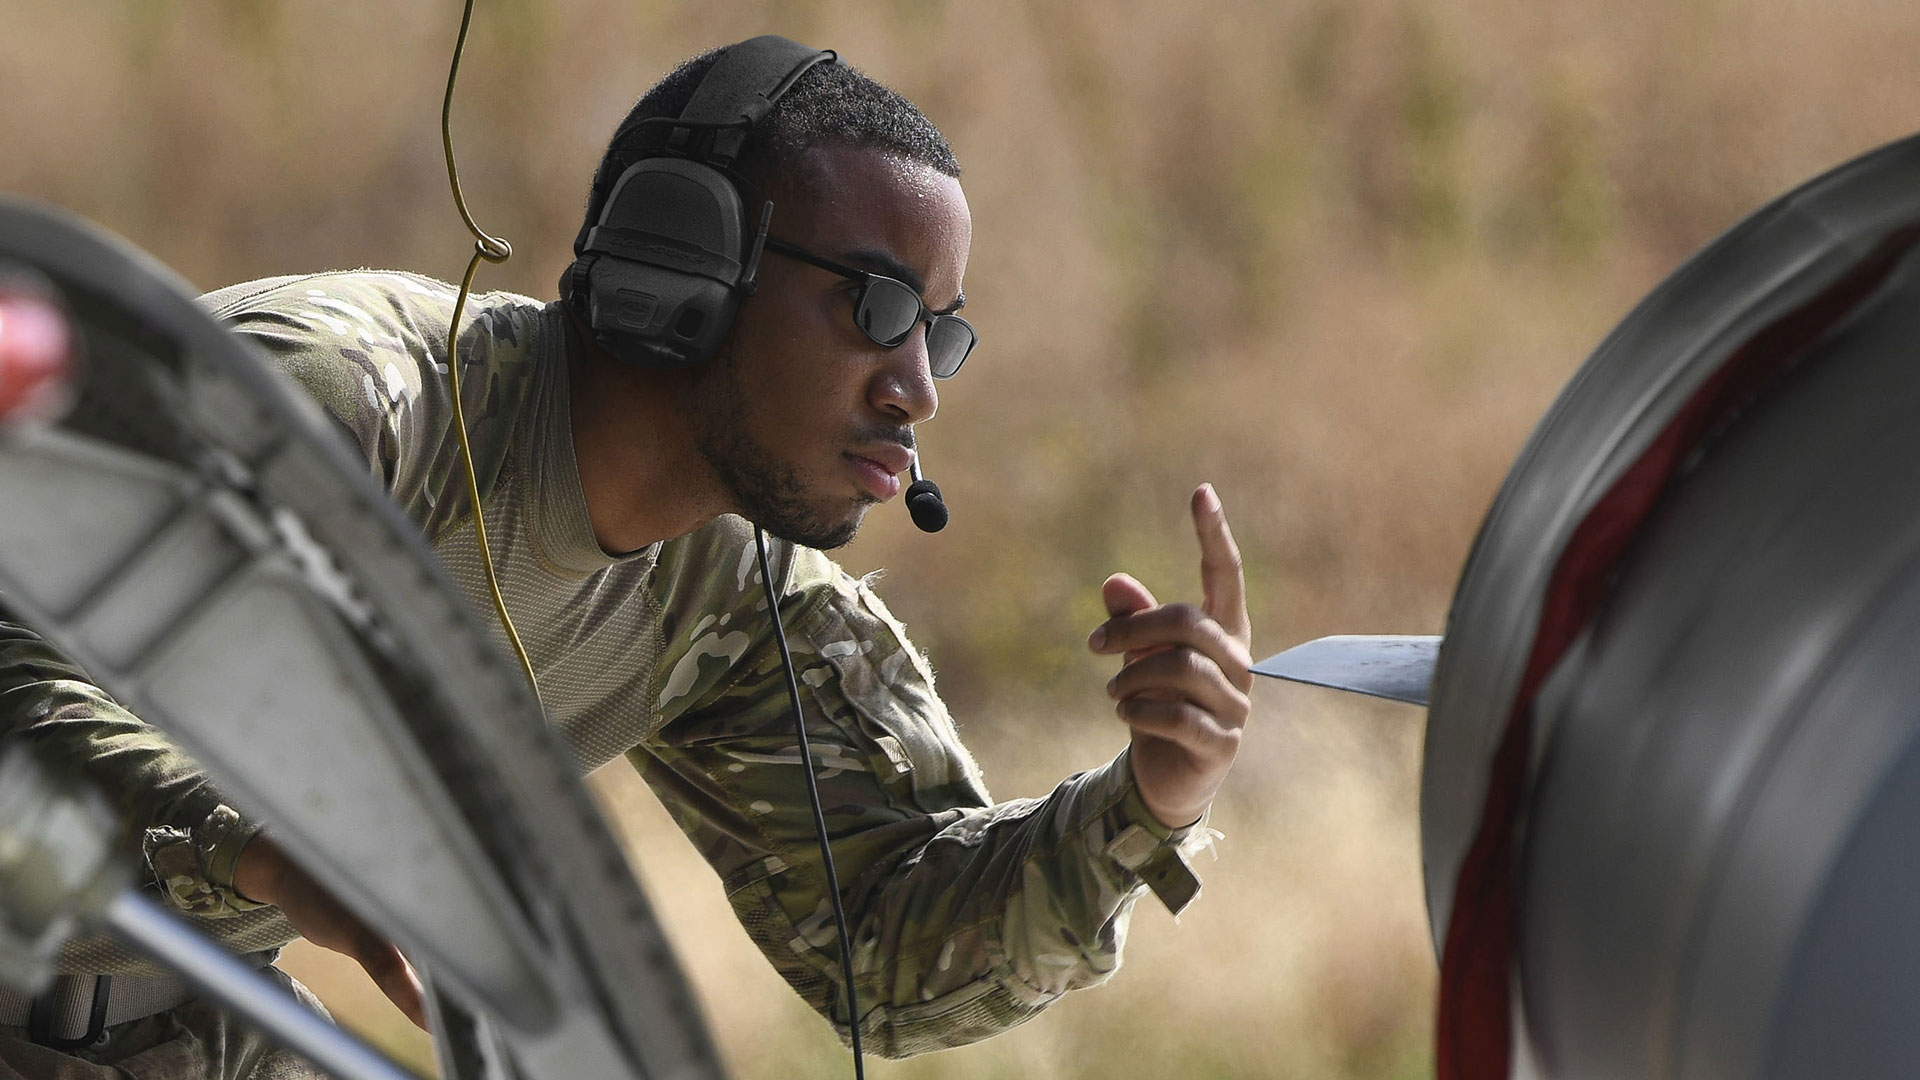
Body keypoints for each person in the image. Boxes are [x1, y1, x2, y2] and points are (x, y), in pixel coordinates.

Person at [0, 39, 1254, 1077]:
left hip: (126, 993)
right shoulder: (340, 413)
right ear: (684, 263)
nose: (918, 388)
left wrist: (1152, 801)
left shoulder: (734, 589)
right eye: (878, 310)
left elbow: (888, 955)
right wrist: (267, 852)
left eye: (943, 334)